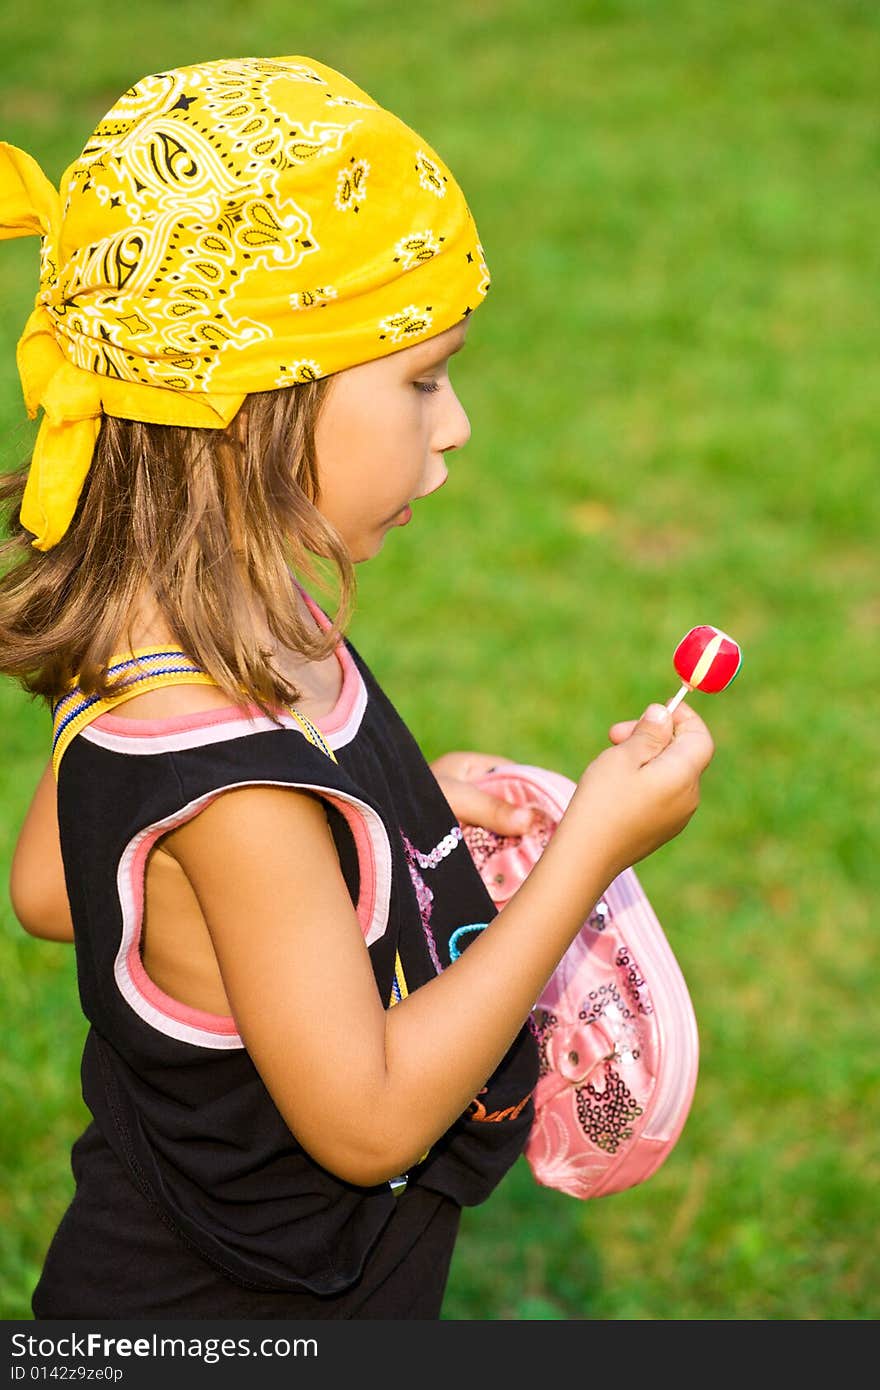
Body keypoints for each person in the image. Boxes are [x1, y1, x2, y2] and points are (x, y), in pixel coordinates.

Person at [0, 56, 714, 1320]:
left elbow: (60, 892)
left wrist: (389, 813)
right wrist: (583, 858)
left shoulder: (183, 636)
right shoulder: (243, 792)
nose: (456, 427)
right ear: (253, 413)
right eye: (421, 380)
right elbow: (372, 1120)